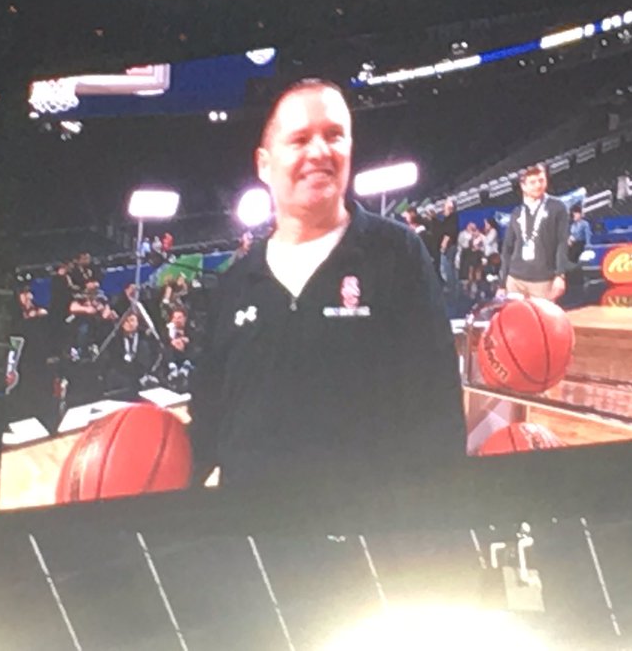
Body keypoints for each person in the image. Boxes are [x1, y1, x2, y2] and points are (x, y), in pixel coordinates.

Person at [190, 79, 465, 490]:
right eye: (300, 139)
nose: (319, 151)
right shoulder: (236, 282)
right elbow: (209, 420)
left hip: (365, 540)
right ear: (264, 164)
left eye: (334, 135)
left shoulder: (396, 253)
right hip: (253, 538)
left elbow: (437, 407)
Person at [497, 164, 570, 302]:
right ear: (523, 186)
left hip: (542, 281)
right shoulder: (517, 212)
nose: (538, 185)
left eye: (541, 180)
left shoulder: (557, 207)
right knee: (516, 321)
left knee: (543, 322)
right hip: (515, 280)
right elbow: (507, 248)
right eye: (533, 182)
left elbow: (562, 243)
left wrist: (560, 275)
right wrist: (502, 283)